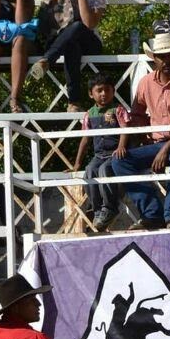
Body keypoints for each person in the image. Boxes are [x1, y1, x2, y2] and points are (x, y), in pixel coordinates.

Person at [93, 33, 170, 231]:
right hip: (157, 144)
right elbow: (137, 115)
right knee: (120, 160)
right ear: (154, 59)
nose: (166, 60)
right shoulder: (146, 83)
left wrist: (166, 147)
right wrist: (141, 137)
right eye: (162, 56)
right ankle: (152, 213)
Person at [28, 0, 106, 111]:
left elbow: (89, 23)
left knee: (77, 26)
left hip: (89, 41)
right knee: (71, 45)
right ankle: (74, 102)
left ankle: (46, 61)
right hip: (60, 42)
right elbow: (43, 21)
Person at [72, 74, 128, 227]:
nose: (104, 94)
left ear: (113, 91)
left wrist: (121, 147)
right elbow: (85, 139)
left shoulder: (118, 110)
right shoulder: (89, 114)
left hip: (114, 154)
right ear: (91, 94)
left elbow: (125, 130)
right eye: (99, 90)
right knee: (90, 171)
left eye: (107, 90)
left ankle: (110, 207)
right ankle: (97, 209)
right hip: (98, 155)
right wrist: (77, 163)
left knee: (104, 170)